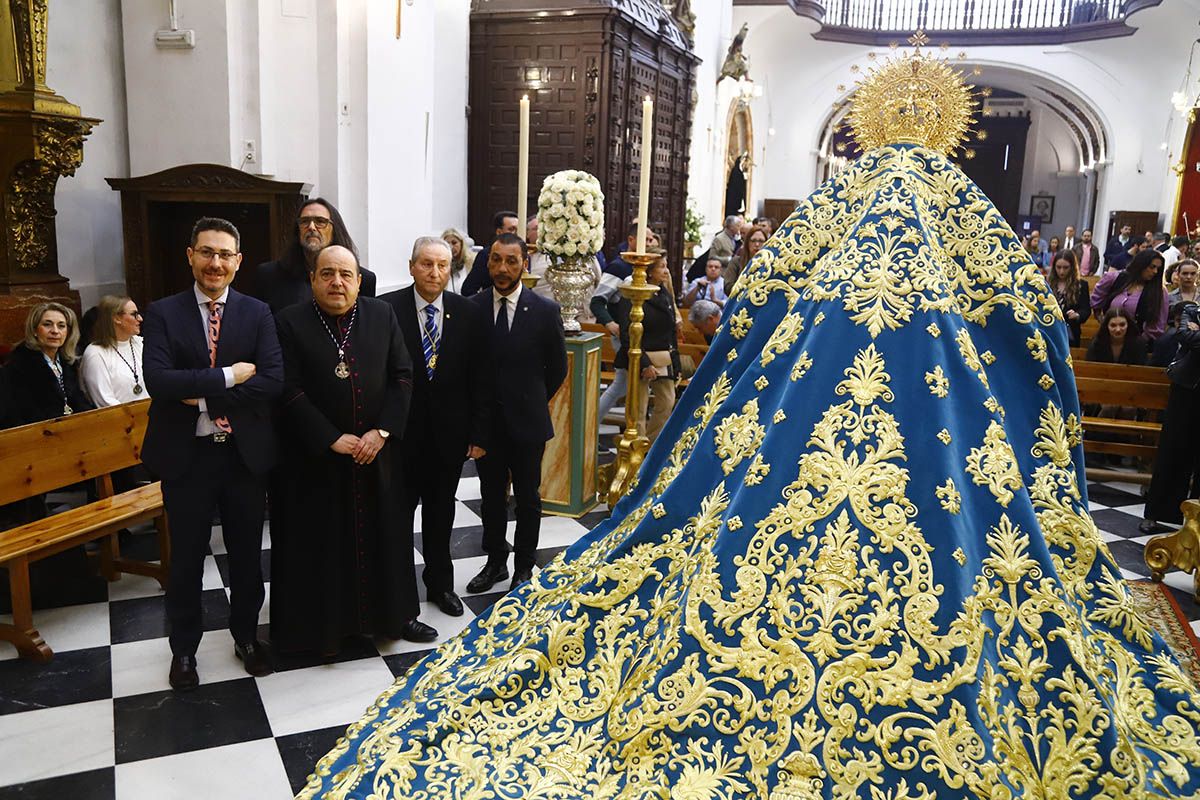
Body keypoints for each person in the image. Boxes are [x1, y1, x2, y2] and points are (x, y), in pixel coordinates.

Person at [302, 58, 1200, 800]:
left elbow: (750, 329)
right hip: (949, 485)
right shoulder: (977, 236)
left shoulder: (829, 228)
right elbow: (1033, 355)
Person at [272, 244, 435, 655]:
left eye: (346, 274)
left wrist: (381, 433)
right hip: (317, 460)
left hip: (376, 453)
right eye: (327, 273)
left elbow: (403, 375)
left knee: (387, 536)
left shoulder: (381, 315)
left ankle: (396, 617)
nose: (336, 282)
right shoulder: (289, 322)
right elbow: (287, 389)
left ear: (359, 281)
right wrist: (330, 437)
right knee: (324, 543)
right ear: (312, 280)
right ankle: (327, 630)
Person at [141, 217, 282, 691]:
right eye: (207, 252)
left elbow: (270, 381)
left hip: (242, 456)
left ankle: (246, 636)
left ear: (238, 262)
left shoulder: (257, 312)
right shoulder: (163, 312)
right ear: (190, 256)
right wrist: (226, 377)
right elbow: (159, 381)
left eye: (225, 254)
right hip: (188, 456)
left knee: (246, 555)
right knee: (185, 560)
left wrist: (200, 394)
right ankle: (184, 649)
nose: (215, 263)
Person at [382, 237, 489, 619]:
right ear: (412, 266)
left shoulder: (468, 311)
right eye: (426, 264)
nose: (434, 272)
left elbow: (480, 378)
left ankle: (441, 585)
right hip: (400, 436)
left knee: (441, 514)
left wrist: (478, 434)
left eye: (442, 265)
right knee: (396, 516)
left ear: (451, 268)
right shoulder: (386, 309)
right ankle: (397, 592)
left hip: (449, 436)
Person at [465, 233, 567, 594]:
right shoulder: (472, 308)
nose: (502, 268)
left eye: (511, 261)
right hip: (486, 426)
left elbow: (557, 369)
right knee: (491, 497)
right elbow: (467, 368)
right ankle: (495, 562)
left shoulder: (544, 311)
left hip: (527, 423)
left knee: (528, 496)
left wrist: (531, 399)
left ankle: (524, 565)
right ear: (487, 262)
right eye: (495, 260)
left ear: (524, 264)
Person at [255, 198, 378, 314]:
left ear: (335, 229)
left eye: (320, 222)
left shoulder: (365, 280)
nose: (312, 227)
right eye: (305, 222)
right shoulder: (269, 275)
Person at [1142, 302, 1200, 533]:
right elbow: (1185, 335)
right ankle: (1158, 512)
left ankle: (1195, 519)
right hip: (1186, 390)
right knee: (1173, 451)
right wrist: (1192, 334)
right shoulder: (1192, 310)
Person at [613, 250, 679, 443]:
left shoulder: (665, 294)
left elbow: (671, 332)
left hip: (663, 357)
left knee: (667, 402)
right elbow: (628, 334)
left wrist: (676, 363)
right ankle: (636, 449)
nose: (666, 271)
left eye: (666, 266)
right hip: (639, 358)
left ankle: (650, 443)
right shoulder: (633, 294)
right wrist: (644, 363)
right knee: (638, 409)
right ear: (649, 271)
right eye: (662, 267)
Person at [3, 303, 93, 427]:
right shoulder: (17, 365)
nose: (55, 331)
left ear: (68, 332)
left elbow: (78, 401)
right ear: (34, 330)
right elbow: (14, 414)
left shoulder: (67, 362)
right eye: (47, 324)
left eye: (61, 326)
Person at [80, 295, 147, 407]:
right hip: (121, 421)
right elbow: (106, 402)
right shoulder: (96, 353)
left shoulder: (142, 343)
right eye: (134, 314)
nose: (140, 318)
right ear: (116, 318)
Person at [1090, 248, 1168, 342]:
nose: (1155, 271)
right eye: (1152, 267)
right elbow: (1097, 295)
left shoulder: (1159, 291)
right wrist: (1099, 316)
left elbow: (1159, 324)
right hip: (1108, 337)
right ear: (1141, 265)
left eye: (1158, 269)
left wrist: (1141, 340)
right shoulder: (1115, 278)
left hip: (1137, 341)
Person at [460, 210, 519, 296]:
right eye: (511, 229)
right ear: (499, 232)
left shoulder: (524, 254)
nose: (516, 233)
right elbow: (468, 289)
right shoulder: (485, 255)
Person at [1047, 250, 1090, 347]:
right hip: (1049, 330)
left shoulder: (1081, 285)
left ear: (1072, 267)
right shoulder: (1046, 283)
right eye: (1058, 267)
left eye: (1066, 268)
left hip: (1070, 333)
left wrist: (1077, 315)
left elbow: (1086, 310)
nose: (1061, 271)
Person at [440, 227, 476, 294]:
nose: (450, 247)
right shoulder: (440, 264)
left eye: (454, 243)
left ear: (462, 244)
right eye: (447, 243)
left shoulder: (472, 261)